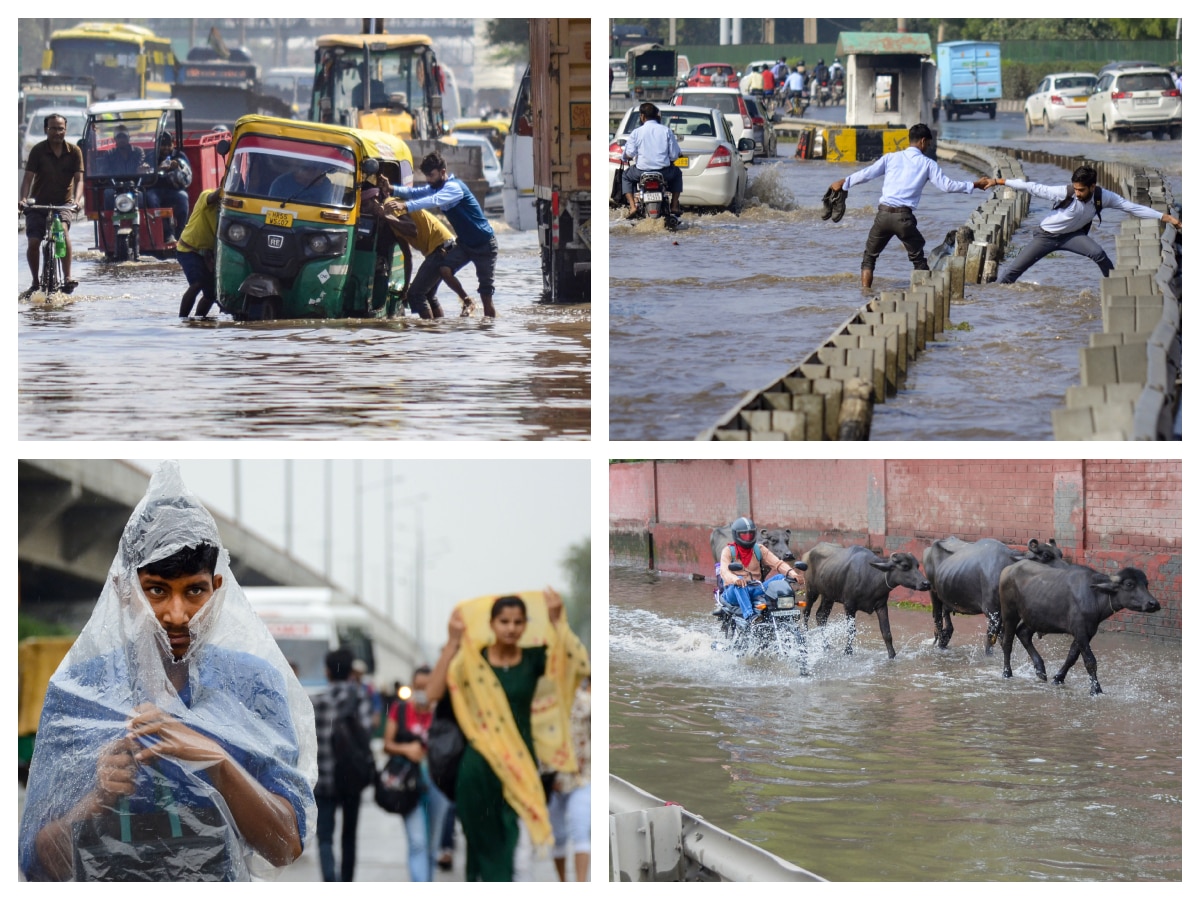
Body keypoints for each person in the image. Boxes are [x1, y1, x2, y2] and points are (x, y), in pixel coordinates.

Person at [18, 461, 315, 881]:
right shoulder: (81, 693)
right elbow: (36, 863)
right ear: (124, 591)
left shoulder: (253, 687)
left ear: (216, 589)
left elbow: (285, 846)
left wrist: (215, 759)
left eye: (194, 591)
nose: (177, 615)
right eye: (156, 590)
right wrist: (96, 800)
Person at [427, 587, 589, 881]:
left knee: (521, 853)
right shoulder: (472, 662)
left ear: (526, 624)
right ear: (491, 624)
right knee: (481, 850)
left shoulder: (534, 659)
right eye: (504, 621)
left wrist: (558, 624)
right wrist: (452, 642)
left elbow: (578, 665)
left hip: (523, 766)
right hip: (479, 768)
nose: (511, 628)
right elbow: (433, 693)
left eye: (518, 622)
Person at [829, 123, 991, 289]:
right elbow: (947, 186)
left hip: (883, 215)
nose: (928, 147)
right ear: (922, 141)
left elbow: (866, 174)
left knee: (869, 258)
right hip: (904, 219)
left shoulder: (891, 158)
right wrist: (974, 185)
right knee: (918, 260)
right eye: (928, 143)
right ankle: (926, 293)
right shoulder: (928, 164)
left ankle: (865, 293)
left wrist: (845, 182)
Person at [988, 167, 1182, 284]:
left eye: (1081, 190)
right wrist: (999, 181)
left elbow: (1131, 208)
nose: (1078, 193)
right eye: (1076, 188)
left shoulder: (1103, 197)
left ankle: (1113, 284)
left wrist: (1166, 217)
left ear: (1092, 186)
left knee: (1098, 254)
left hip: (1072, 236)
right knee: (1014, 271)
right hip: (1045, 236)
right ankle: (995, 296)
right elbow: (1032, 187)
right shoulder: (1064, 192)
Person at [384, 152, 500, 318]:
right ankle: (467, 300)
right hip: (465, 244)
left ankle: (490, 331)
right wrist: (392, 189)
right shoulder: (436, 187)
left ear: (443, 171)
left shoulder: (454, 188)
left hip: (485, 245)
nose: (429, 180)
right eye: (427, 176)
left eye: (431, 175)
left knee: (486, 295)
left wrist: (405, 206)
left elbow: (433, 200)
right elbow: (416, 193)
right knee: (444, 269)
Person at [382, 666, 452, 881]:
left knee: (432, 845)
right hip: (408, 783)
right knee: (418, 842)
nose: (422, 691)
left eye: (427, 687)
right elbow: (387, 743)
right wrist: (406, 749)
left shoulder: (444, 711)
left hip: (438, 782)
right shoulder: (400, 709)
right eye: (418, 687)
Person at [311, 648, 374, 882]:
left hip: (324, 780)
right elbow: (366, 733)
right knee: (349, 837)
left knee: (325, 838)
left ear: (327, 671)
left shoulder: (316, 701)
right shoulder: (359, 698)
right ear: (350, 672)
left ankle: (331, 883)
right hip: (352, 778)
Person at [369, 191, 478, 318]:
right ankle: (436, 330)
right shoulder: (394, 226)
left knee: (416, 294)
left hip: (441, 248)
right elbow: (407, 257)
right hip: (444, 247)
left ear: (376, 202)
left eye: (366, 205)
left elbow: (412, 229)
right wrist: (405, 289)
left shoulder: (389, 206)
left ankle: (427, 330)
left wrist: (386, 216)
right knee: (428, 295)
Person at [19, 112, 85, 297]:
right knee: (33, 242)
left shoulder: (75, 151)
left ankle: (68, 277)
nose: (57, 132)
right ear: (46, 129)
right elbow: (27, 178)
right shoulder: (38, 150)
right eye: (53, 128)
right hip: (38, 204)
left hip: (63, 205)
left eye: (61, 128)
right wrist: (23, 200)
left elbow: (80, 180)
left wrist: (77, 201)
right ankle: (35, 281)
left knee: (62, 233)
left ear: (65, 129)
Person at [717, 516, 806, 622]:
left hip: (756, 587)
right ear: (736, 535)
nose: (748, 538)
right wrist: (735, 580)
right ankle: (750, 616)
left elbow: (777, 563)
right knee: (740, 583)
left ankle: (787, 609)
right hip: (734, 591)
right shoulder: (728, 551)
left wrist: (793, 574)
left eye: (751, 535)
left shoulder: (759, 549)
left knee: (782, 577)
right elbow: (724, 571)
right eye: (745, 535)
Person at [549, 677, 590, 882]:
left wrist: (584, 758)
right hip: (552, 780)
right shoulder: (544, 706)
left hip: (580, 778)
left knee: (580, 831)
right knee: (558, 837)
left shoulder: (585, 702)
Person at [621, 102, 683, 220]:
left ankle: (633, 206)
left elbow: (629, 154)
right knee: (677, 173)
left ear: (642, 116)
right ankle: (674, 205)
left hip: (641, 172)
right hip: (663, 172)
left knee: (625, 176)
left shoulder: (636, 132)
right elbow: (674, 155)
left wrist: (626, 157)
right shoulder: (666, 131)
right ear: (657, 116)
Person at [176, 188, 222, 318]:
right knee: (197, 283)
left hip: (207, 254)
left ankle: (199, 320)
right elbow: (213, 197)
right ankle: (182, 319)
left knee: (211, 294)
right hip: (189, 249)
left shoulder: (229, 211)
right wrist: (228, 185)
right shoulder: (206, 196)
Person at [146, 132, 193, 243]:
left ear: (173, 144)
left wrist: (178, 166)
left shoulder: (179, 155)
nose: (166, 148)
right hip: (155, 190)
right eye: (163, 145)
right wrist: (158, 168)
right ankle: (166, 234)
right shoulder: (151, 156)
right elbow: (145, 175)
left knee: (183, 197)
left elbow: (188, 176)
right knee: (150, 198)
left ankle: (180, 234)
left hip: (174, 190)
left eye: (169, 145)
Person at [270, 158, 338, 205]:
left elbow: (325, 207)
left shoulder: (325, 184)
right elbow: (271, 206)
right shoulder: (281, 183)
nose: (324, 178)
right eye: (322, 173)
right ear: (310, 171)